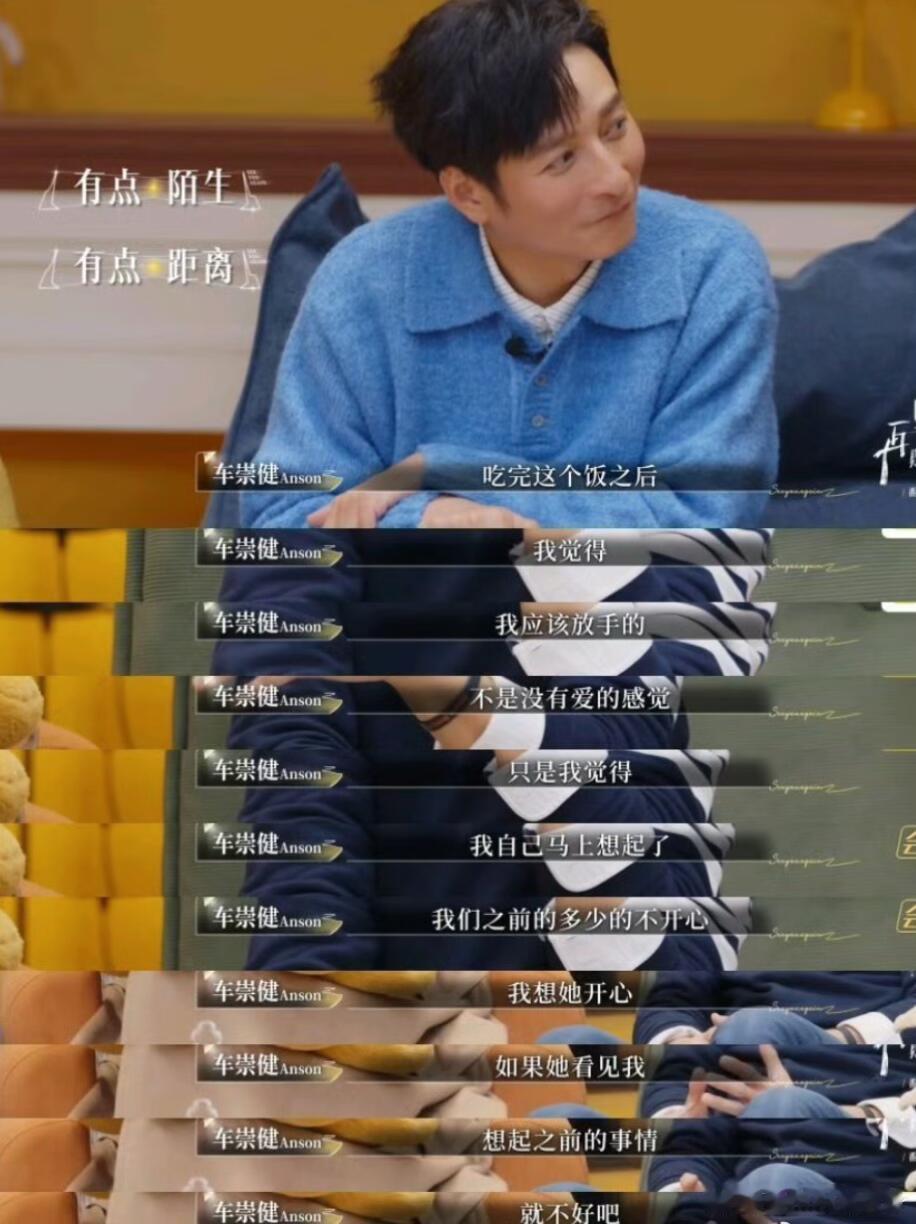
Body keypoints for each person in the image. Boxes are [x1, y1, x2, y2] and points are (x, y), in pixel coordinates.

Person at [241, 0, 777, 531]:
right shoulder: (362, 284)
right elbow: (281, 517)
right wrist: (429, 521)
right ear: (469, 194)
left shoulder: (712, 269)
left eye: (614, 127)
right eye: (562, 159)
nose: (616, 178)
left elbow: (707, 517)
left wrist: (444, 474)